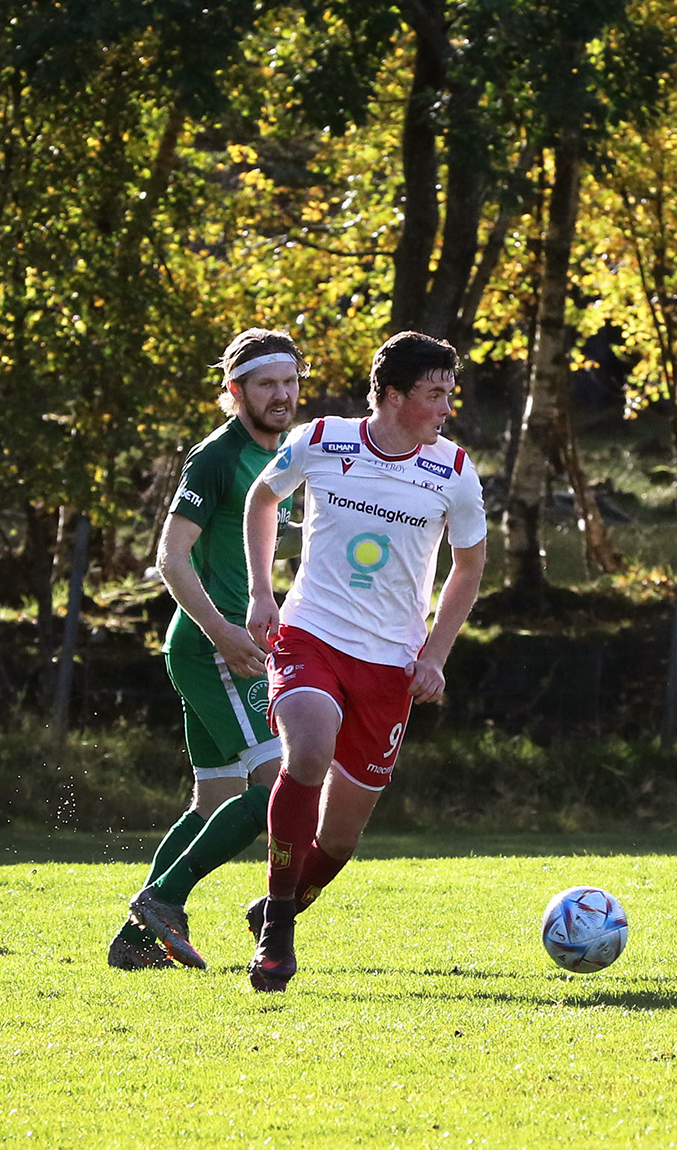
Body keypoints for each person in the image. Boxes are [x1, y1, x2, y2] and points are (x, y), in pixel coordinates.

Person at [240, 330, 487, 992]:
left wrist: (435, 654)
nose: (445, 408)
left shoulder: (456, 472)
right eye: (435, 394)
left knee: (341, 841)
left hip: (389, 666)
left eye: (449, 394)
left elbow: (469, 566)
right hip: (310, 635)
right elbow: (264, 498)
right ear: (396, 395)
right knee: (309, 751)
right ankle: (277, 937)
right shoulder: (322, 440)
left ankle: (282, 902)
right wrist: (262, 592)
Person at [110, 328, 306, 971]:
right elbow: (170, 557)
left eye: (289, 382)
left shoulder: (280, 454)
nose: (281, 395)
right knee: (279, 785)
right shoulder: (217, 457)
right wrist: (223, 631)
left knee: (216, 800)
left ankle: (138, 939)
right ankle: (164, 899)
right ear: (235, 392)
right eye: (265, 385)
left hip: (225, 646)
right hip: (212, 647)